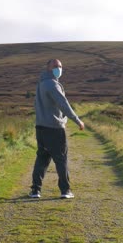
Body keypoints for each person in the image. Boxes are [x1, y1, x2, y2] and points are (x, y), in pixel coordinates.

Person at [29, 59, 85, 199]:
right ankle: (65, 191)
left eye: (60, 66)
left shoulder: (41, 83)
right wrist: (77, 120)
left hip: (40, 128)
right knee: (61, 160)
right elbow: (63, 104)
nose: (58, 69)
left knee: (42, 159)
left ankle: (35, 190)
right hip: (54, 128)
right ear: (48, 68)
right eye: (55, 66)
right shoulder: (52, 84)